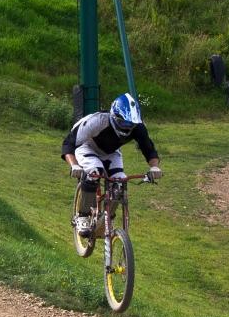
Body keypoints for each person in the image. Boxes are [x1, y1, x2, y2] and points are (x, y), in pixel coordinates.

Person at [61, 93, 162, 237]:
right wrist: (74, 165)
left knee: (120, 181)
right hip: (87, 146)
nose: (127, 127)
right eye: (123, 122)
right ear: (114, 116)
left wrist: (154, 167)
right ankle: (82, 215)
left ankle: (107, 218)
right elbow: (69, 143)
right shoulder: (97, 121)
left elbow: (149, 149)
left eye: (131, 124)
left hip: (111, 152)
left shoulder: (138, 127)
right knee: (94, 172)